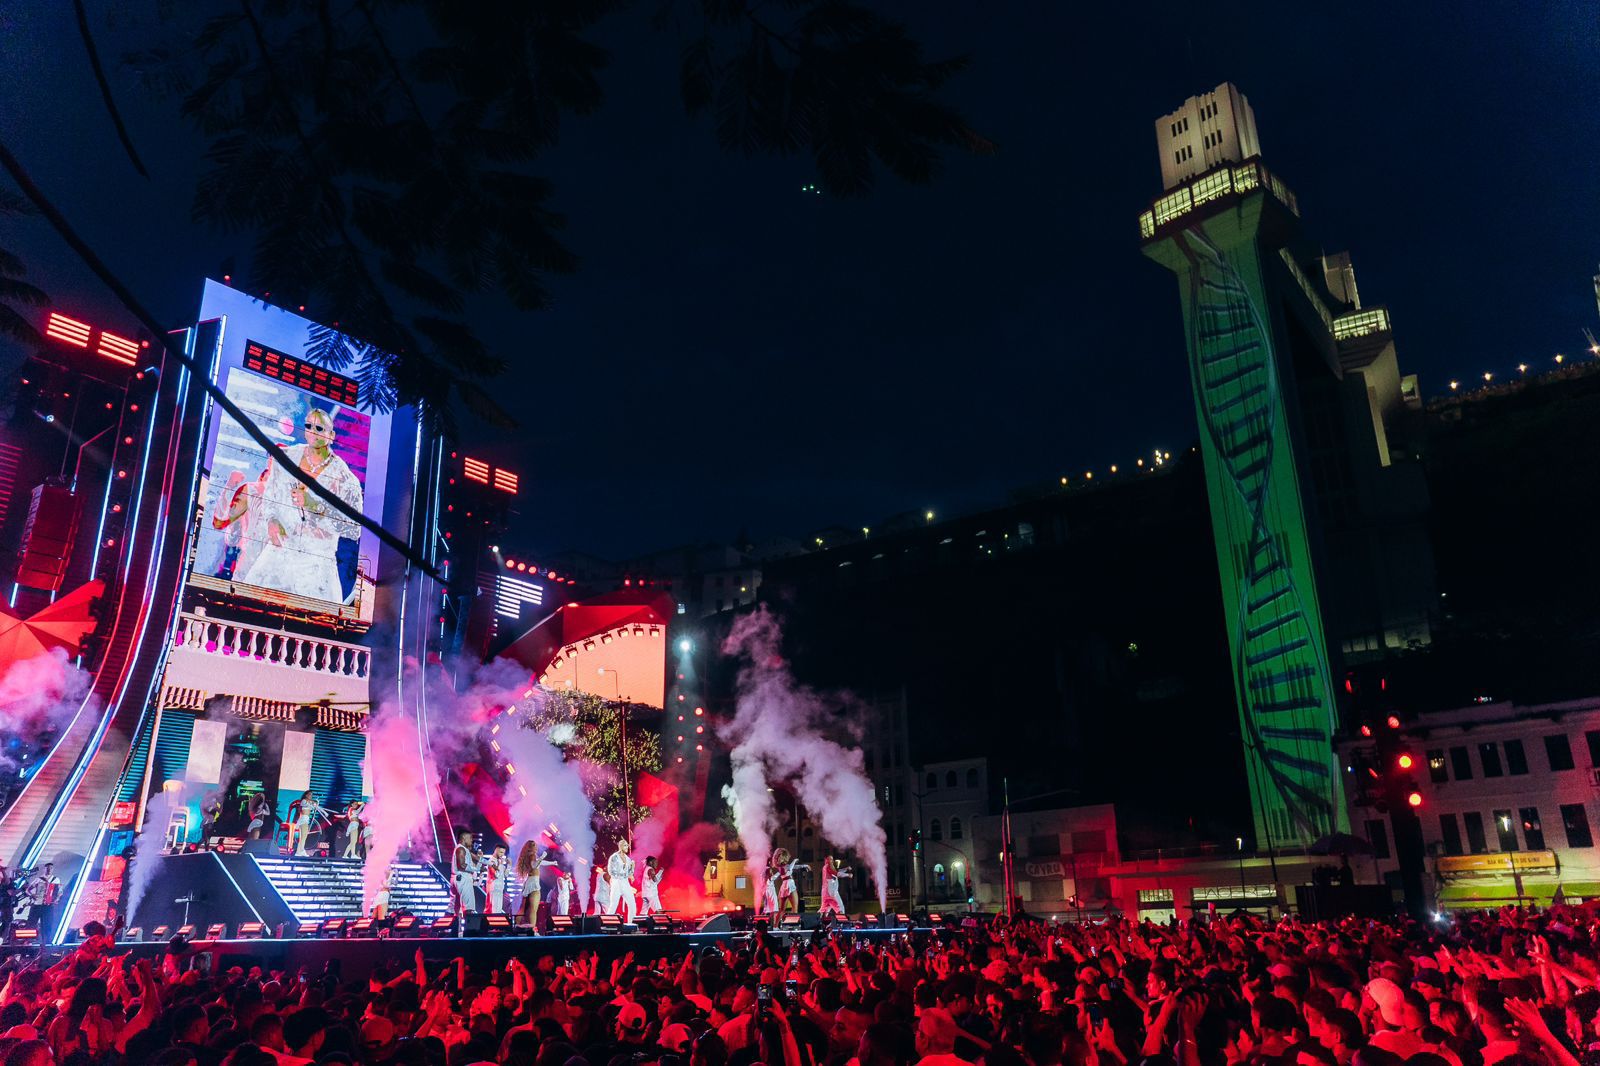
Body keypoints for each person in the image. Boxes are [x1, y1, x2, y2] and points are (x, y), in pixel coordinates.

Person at [212, 406, 363, 604]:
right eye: (309, 426)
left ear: (331, 435)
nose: (313, 431)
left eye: (320, 428)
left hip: (316, 569)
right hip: (277, 557)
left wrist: (315, 506)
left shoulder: (345, 478)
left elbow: (354, 529)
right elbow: (270, 502)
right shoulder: (285, 458)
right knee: (250, 614)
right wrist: (272, 521)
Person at [515, 842, 553, 930]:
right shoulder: (532, 855)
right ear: (531, 847)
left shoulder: (529, 856)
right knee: (533, 909)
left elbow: (539, 863)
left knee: (523, 907)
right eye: (535, 846)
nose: (536, 847)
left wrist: (552, 863)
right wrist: (543, 856)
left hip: (529, 881)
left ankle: (516, 926)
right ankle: (532, 929)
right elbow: (534, 865)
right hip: (534, 882)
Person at [450, 828, 480, 921]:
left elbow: (475, 860)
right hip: (463, 878)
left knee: (454, 907)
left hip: (458, 878)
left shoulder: (463, 849)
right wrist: (477, 868)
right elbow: (462, 865)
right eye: (470, 838)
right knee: (468, 907)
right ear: (463, 837)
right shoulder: (461, 849)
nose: (471, 840)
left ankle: (454, 930)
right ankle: (469, 931)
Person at [286, 791, 325, 857]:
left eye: (311, 795)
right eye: (309, 794)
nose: (311, 796)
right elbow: (309, 805)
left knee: (303, 837)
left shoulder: (308, 802)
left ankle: (299, 852)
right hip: (303, 819)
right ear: (306, 795)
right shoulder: (303, 801)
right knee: (304, 837)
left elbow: (313, 807)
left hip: (306, 819)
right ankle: (301, 851)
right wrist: (313, 802)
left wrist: (315, 803)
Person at [607, 839, 637, 922]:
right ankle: (606, 923)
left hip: (625, 883)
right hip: (616, 883)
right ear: (620, 846)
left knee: (632, 904)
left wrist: (632, 867)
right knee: (613, 905)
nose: (627, 847)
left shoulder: (628, 859)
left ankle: (631, 924)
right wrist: (627, 875)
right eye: (625, 845)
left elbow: (629, 874)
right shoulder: (614, 857)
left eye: (627, 845)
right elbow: (611, 872)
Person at [30, 864, 60, 936]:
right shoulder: (38, 879)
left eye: (51, 868)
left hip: (48, 905)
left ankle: (45, 941)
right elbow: (28, 890)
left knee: (47, 924)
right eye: (47, 868)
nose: (49, 870)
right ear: (44, 869)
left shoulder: (56, 880)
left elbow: (59, 892)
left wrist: (56, 899)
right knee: (32, 923)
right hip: (37, 905)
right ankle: (29, 940)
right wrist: (32, 895)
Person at [776, 851, 809, 915]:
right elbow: (789, 869)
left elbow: (795, 867)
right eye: (779, 857)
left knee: (791, 908)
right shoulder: (781, 867)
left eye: (780, 857)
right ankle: (777, 924)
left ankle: (780, 924)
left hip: (788, 885)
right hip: (788, 885)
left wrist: (805, 866)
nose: (779, 859)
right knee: (785, 909)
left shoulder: (786, 865)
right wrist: (794, 861)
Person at [484, 845, 508, 915]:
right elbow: (496, 875)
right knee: (493, 910)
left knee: (498, 910)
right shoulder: (491, 861)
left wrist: (509, 865)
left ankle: (496, 925)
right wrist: (500, 864)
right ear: (496, 850)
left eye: (503, 853)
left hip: (499, 888)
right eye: (501, 852)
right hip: (493, 887)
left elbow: (505, 875)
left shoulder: (499, 861)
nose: (502, 854)